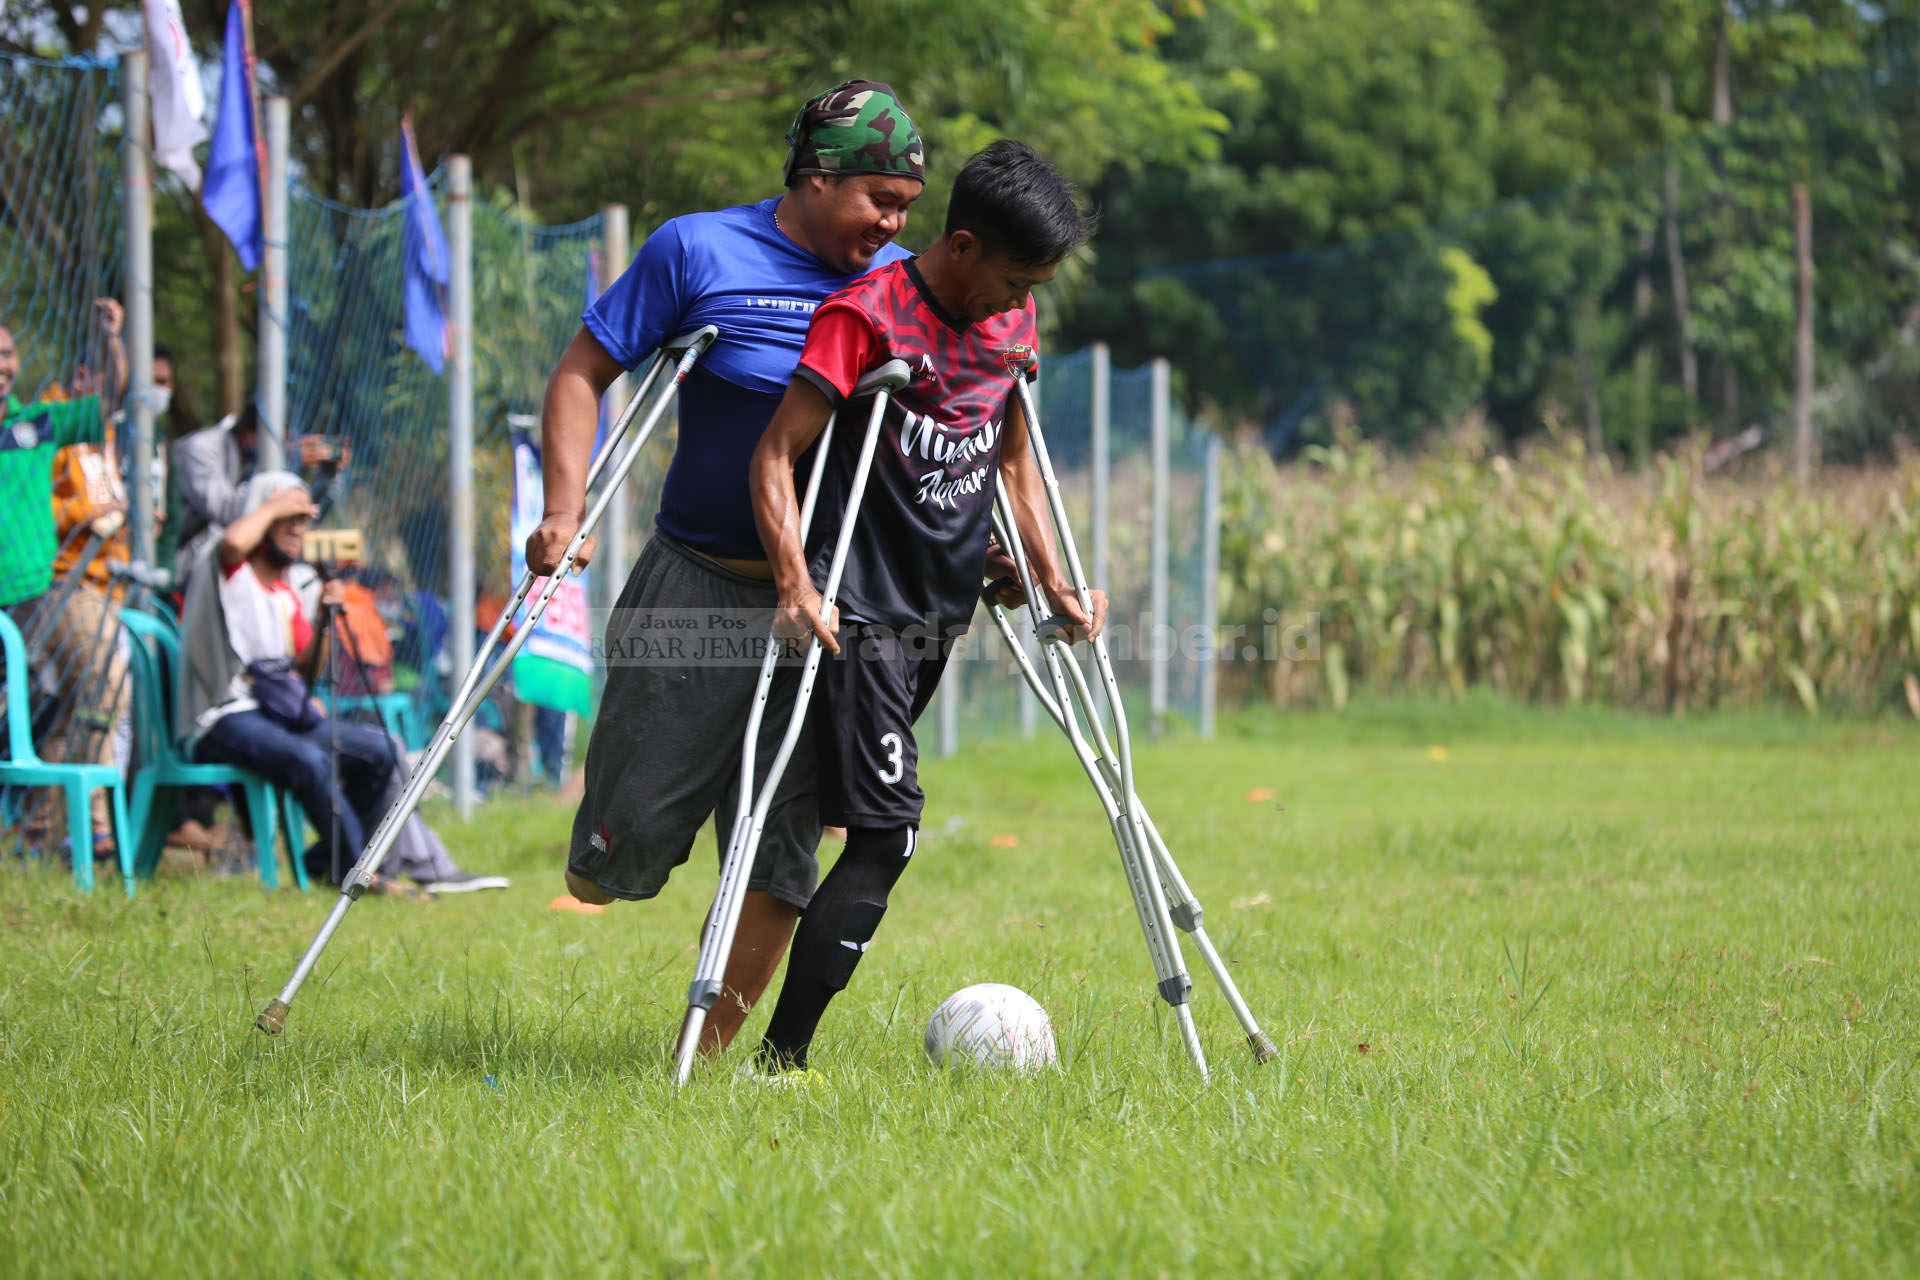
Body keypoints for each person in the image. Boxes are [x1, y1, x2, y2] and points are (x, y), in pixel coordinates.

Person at [524, 79, 927, 1054]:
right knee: (614, 855)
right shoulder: (697, 249)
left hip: (820, 603)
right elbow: (582, 372)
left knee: (783, 844)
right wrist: (562, 512)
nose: (893, 223)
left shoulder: (904, 286)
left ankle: (698, 1059)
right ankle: (615, 850)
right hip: (691, 582)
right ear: (816, 177)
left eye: (909, 206)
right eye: (879, 198)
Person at [747, 140, 1102, 1073]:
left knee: (854, 820)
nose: (1020, 301)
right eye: (1013, 279)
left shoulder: (1010, 327)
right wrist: (795, 581)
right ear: (964, 244)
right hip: (861, 611)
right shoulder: (866, 316)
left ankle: (775, 1044)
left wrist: (1050, 578)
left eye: (1036, 287)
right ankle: (781, 1063)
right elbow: (776, 454)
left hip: (941, 609)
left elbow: (1014, 457)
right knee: (888, 831)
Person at [176, 472, 508, 893]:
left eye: (303, 520)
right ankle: (363, 876)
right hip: (222, 717)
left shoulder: (285, 592)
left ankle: (325, 861)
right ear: (260, 517)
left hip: (275, 715)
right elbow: (231, 544)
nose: (298, 529)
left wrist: (323, 620)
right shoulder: (230, 570)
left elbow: (304, 669)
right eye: (287, 519)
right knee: (308, 760)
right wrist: (276, 504)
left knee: (381, 750)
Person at [1, 300, 130, 860]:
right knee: (85, 686)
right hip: (42, 593)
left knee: (96, 685)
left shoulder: (29, 424)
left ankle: (60, 822)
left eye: (6, 353)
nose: (1, 364)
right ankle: (72, 821)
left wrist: (110, 341)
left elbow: (109, 399)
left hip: (37, 588)